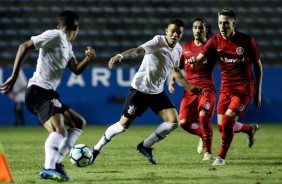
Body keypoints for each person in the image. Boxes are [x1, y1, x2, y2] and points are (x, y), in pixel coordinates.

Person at [91, 18, 202, 165]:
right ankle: (96, 149)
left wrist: (189, 86)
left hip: (156, 92)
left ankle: (145, 146)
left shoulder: (178, 49)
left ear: (182, 34)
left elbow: (174, 71)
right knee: (123, 125)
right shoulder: (158, 41)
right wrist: (121, 55)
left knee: (173, 122)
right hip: (140, 90)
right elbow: (138, 50)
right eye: (172, 31)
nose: (175, 35)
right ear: (166, 31)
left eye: (178, 33)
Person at [1, 10, 95, 181]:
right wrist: (14, 76)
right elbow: (25, 46)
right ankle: (48, 168)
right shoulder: (56, 35)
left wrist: (87, 59)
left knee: (78, 123)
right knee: (59, 130)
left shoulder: (68, 46)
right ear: (76, 27)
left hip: (47, 92)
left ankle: (56, 164)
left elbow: (76, 69)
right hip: (39, 90)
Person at [187, 8, 262, 166]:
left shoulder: (247, 41)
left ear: (233, 24)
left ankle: (221, 157)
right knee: (222, 127)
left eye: (226, 23)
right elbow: (200, 59)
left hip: (244, 88)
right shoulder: (214, 41)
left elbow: (257, 64)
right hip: (226, 88)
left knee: (228, 122)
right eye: (220, 23)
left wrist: (258, 91)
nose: (222, 26)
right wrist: (194, 61)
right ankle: (249, 129)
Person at [169, 18, 216, 161]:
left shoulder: (211, 47)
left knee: (203, 116)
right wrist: (172, 81)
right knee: (183, 123)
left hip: (206, 88)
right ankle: (202, 135)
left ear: (206, 30)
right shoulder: (186, 47)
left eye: (201, 27)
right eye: (195, 27)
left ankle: (208, 152)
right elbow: (178, 67)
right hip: (190, 90)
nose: (198, 30)